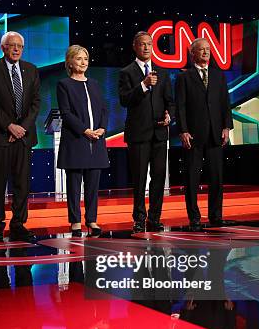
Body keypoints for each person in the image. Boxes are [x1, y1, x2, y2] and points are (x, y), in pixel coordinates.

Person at [0, 31, 41, 243]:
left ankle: (18, 224)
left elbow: (36, 103)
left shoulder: (31, 70)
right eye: (12, 45)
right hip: (0, 136)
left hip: (24, 137)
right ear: (3, 48)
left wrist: (21, 128)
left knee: (22, 183)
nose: (16, 49)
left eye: (19, 46)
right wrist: (9, 126)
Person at [175, 38, 234, 231]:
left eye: (208, 49)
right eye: (201, 50)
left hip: (216, 134)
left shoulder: (218, 75)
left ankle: (216, 216)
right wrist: (183, 130)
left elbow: (225, 103)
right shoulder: (184, 77)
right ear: (193, 54)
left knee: (217, 177)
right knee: (192, 178)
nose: (206, 52)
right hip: (193, 135)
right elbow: (181, 107)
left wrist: (226, 127)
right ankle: (194, 218)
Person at [119, 31, 174, 233]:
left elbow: (169, 100)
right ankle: (139, 218)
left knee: (159, 177)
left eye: (149, 44)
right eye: (142, 44)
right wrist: (142, 85)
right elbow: (124, 99)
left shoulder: (163, 72)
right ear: (135, 46)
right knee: (140, 179)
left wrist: (170, 116)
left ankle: (155, 217)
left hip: (159, 133)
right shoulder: (127, 72)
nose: (146, 48)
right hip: (139, 134)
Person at [56, 45, 109, 237]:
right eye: (79, 59)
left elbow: (104, 108)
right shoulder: (64, 84)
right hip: (76, 141)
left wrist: (102, 128)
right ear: (70, 62)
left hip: (96, 141)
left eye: (86, 58)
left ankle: (92, 219)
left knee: (93, 185)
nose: (83, 62)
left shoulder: (94, 83)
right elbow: (66, 113)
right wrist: (85, 130)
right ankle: (75, 221)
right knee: (74, 184)